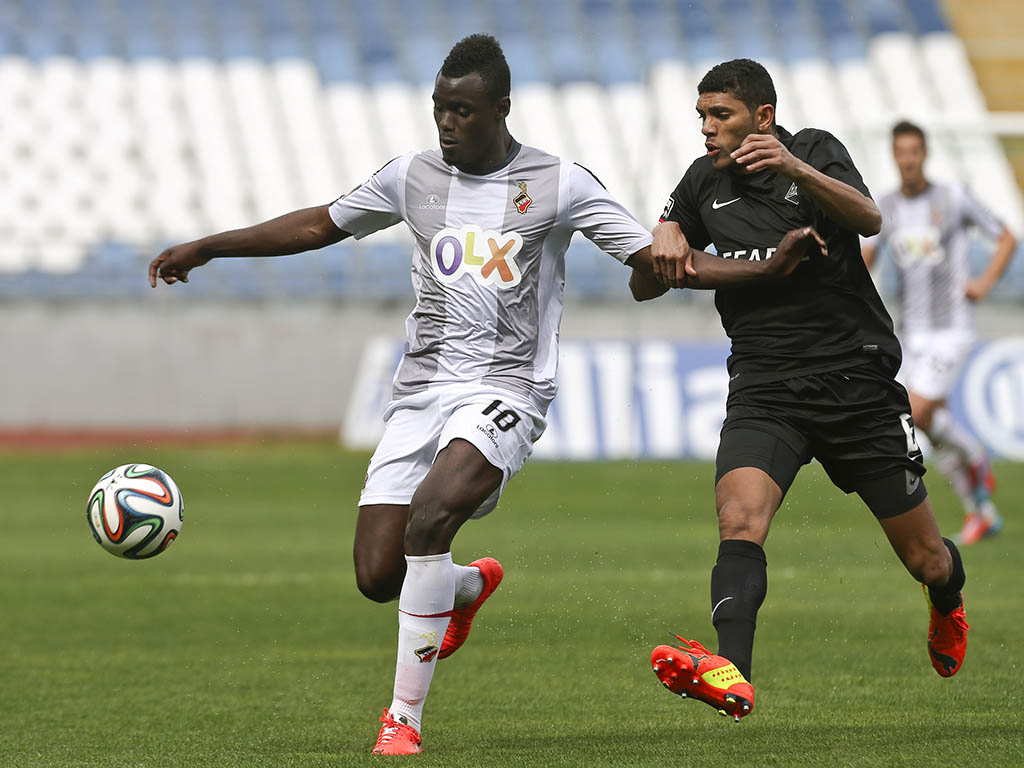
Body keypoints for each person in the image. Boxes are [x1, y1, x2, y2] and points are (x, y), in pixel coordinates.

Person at [149, 37, 814, 754]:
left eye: (461, 111)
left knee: (431, 518)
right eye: (439, 109)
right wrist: (209, 245)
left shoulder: (558, 183)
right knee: (378, 574)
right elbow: (319, 224)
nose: (446, 123)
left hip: (508, 388)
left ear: (499, 110)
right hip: (422, 388)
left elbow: (656, 259)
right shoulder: (412, 176)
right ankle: (464, 587)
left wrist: (766, 270)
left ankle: (402, 719)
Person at [632, 59, 970, 722]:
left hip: (856, 383)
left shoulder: (814, 150)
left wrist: (792, 167)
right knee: (739, 519)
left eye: (719, 115)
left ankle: (947, 600)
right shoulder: (702, 184)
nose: (705, 129)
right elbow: (645, 284)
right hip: (765, 383)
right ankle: (733, 674)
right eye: (700, 115)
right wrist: (660, 242)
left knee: (927, 558)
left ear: (761, 117)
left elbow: (870, 219)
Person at [862, 120, 1016, 545]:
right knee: (928, 422)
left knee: (916, 410)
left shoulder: (953, 197)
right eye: (901, 153)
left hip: (951, 329)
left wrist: (984, 283)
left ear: (924, 154)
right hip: (910, 333)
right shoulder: (888, 205)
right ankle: (980, 509)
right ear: (894, 156)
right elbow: (867, 258)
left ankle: (974, 458)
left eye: (915, 152)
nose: (908, 160)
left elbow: (1006, 237)